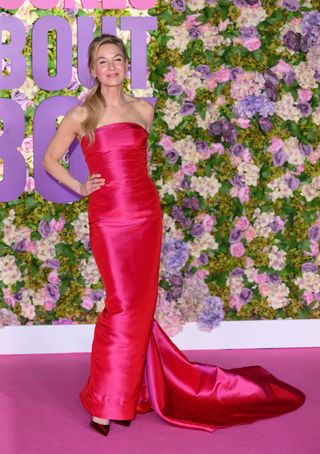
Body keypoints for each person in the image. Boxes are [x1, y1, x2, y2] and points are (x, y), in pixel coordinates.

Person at [43, 34, 305, 437]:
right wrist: (79, 187)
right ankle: (107, 401)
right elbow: (49, 159)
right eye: (102, 61)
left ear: (126, 65)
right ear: (92, 69)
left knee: (141, 305)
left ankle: (129, 394)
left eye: (117, 60)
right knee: (122, 305)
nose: (110, 68)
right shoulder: (82, 116)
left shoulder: (144, 109)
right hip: (109, 219)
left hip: (146, 214)